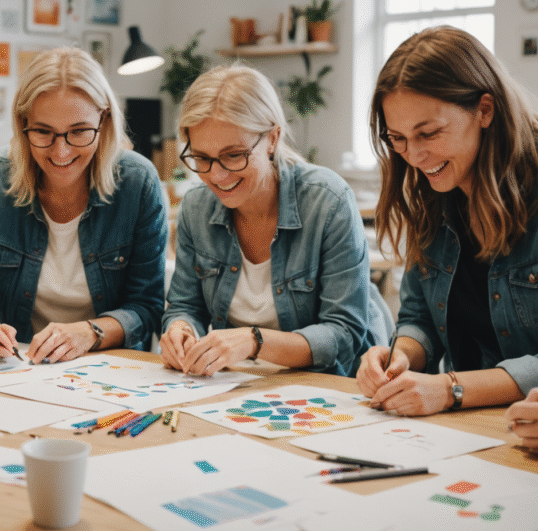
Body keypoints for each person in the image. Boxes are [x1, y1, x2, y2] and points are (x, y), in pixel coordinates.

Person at [356, 25, 538, 416]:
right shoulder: (433, 191)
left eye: (429, 133)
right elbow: (419, 316)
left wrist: (452, 389)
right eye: (398, 138)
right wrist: (402, 356)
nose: (415, 157)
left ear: (484, 110)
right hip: (474, 427)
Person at [0, 47, 167, 363]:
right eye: (43, 133)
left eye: (79, 132)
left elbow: (148, 307)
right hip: (18, 366)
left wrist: (89, 333)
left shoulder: (138, 183)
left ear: (104, 122)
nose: (61, 153)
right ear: (22, 125)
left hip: (112, 370)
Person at [160, 64, 390, 377]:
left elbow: (344, 336)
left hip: (329, 387)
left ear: (272, 138)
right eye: (201, 158)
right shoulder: (196, 208)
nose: (216, 175)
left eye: (233, 155)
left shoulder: (327, 201)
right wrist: (180, 328)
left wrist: (254, 341)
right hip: (241, 386)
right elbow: (185, 305)